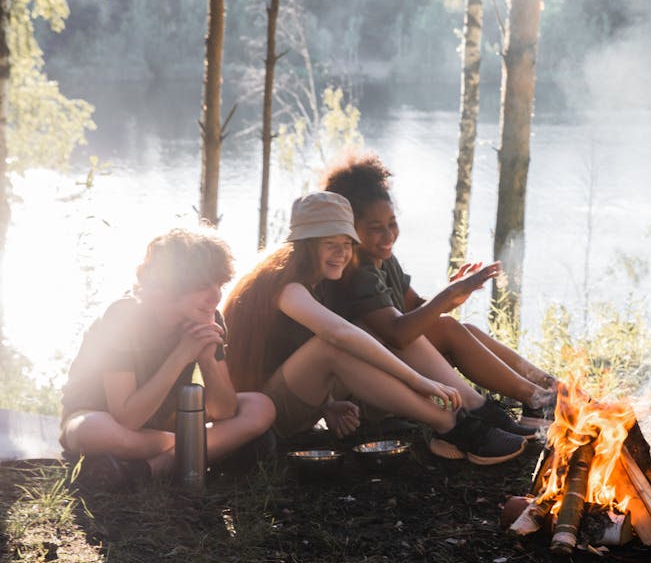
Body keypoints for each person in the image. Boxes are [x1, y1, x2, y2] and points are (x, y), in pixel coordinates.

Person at [222, 191, 528, 465]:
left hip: (290, 397)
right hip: (258, 414)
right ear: (305, 246)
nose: (342, 253)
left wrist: (328, 404)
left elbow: (290, 349)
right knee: (334, 345)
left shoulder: (318, 279)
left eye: (346, 244)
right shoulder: (285, 285)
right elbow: (335, 337)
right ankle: (452, 426)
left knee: (377, 329)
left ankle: (475, 409)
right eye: (330, 244)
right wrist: (419, 382)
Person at [321, 152, 558, 427]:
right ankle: (538, 400)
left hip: (400, 363)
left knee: (464, 329)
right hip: (368, 388)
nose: (388, 235)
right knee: (447, 327)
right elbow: (398, 334)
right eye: (375, 228)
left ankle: (549, 389)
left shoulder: (383, 260)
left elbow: (415, 309)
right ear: (349, 228)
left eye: (392, 224)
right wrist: (446, 297)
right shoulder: (357, 273)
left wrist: (452, 294)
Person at [60, 228, 276, 490]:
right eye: (202, 286)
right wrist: (181, 355)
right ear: (170, 286)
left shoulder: (208, 318)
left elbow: (224, 411)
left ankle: (153, 467)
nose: (215, 296)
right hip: (107, 418)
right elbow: (127, 418)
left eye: (219, 284)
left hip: (164, 422)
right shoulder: (124, 318)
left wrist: (207, 360)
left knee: (259, 405)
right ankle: (197, 450)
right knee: (91, 429)